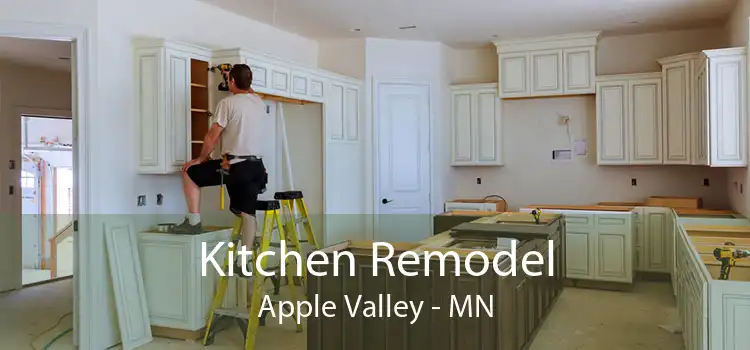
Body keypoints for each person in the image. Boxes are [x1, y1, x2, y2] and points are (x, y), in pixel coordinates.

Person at [171, 64, 267, 260]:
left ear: (231, 81)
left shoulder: (227, 104)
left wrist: (200, 158)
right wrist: (235, 77)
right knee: (248, 213)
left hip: (233, 166)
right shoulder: (258, 101)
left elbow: (212, 136)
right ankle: (245, 260)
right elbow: (247, 89)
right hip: (256, 168)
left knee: (190, 173)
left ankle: (193, 221)